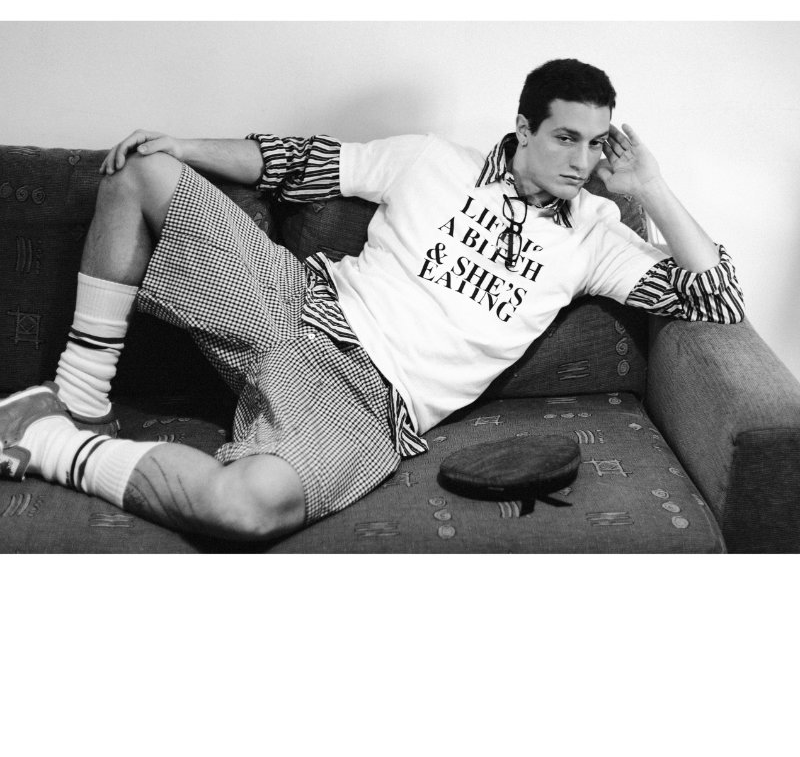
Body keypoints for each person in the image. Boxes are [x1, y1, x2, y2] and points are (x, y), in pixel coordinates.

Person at [0, 58, 745, 543]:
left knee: (246, 509)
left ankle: (51, 443)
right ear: (523, 128)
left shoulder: (596, 235)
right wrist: (186, 145)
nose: (583, 161)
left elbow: (718, 301)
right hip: (295, 304)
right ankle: (77, 399)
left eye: (597, 143)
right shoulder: (430, 159)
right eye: (566, 138)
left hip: (366, 401)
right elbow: (299, 162)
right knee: (142, 168)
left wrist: (650, 188)